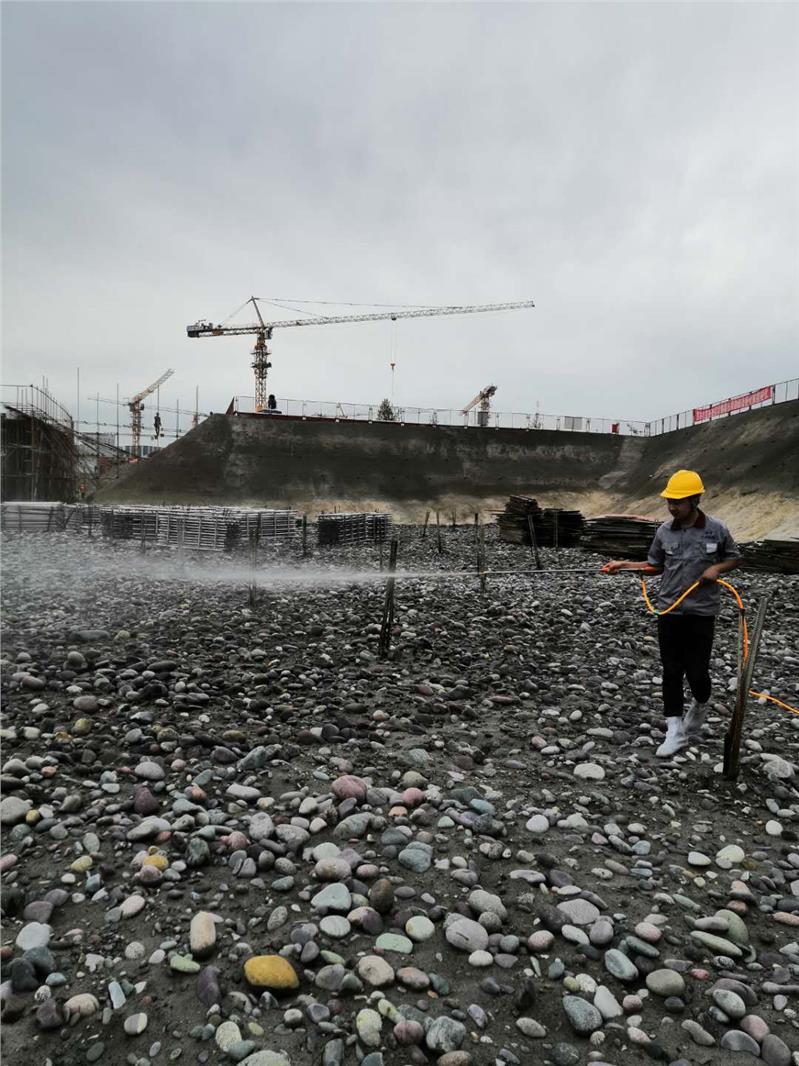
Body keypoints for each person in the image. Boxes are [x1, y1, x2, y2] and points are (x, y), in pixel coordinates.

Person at [602, 470, 742, 757]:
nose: (672, 507)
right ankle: (674, 730)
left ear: (694, 499)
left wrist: (716, 569)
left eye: (677, 502)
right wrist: (624, 565)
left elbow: (734, 558)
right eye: (669, 502)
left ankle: (701, 702)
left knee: (698, 673)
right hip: (669, 610)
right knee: (671, 670)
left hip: (702, 613)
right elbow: (655, 565)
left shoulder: (717, 529)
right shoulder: (664, 531)